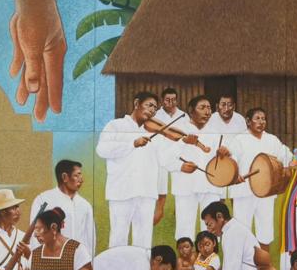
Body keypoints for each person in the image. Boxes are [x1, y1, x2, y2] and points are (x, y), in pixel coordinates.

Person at [96, 91, 174, 248]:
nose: (152, 110)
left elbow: (163, 165)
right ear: (137, 103)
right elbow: (102, 149)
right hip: (121, 192)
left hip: (147, 194)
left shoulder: (155, 133)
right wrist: (132, 144)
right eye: (149, 105)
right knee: (118, 237)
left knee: (144, 241)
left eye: (155, 108)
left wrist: (161, 200)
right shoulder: (115, 125)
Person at [231, 107, 292, 247]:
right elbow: (232, 159)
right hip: (244, 191)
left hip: (266, 191)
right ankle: (242, 265)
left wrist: (292, 162)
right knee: (241, 229)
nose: (261, 122)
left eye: (263, 119)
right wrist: (235, 175)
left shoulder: (272, 139)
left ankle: (264, 265)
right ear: (248, 121)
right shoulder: (239, 139)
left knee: (265, 230)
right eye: (257, 118)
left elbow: (286, 154)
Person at [172, 96, 228, 241]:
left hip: (210, 187)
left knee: (211, 229)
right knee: (184, 227)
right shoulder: (178, 129)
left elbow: (221, 164)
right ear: (191, 111)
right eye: (202, 108)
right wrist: (183, 144)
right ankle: (185, 262)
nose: (207, 112)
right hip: (186, 186)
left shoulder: (216, 133)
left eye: (209, 108)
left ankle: (210, 263)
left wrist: (221, 193)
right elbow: (165, 157)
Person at [30, 159, 97, 260]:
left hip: (78, 263)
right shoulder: (43, 200)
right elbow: (35, 235)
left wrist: (88, 264)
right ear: (65, 177)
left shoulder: (85, 205)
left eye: (81, 175)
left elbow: (90, 239)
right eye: (76, 175)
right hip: (51, 262)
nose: (81, 179)